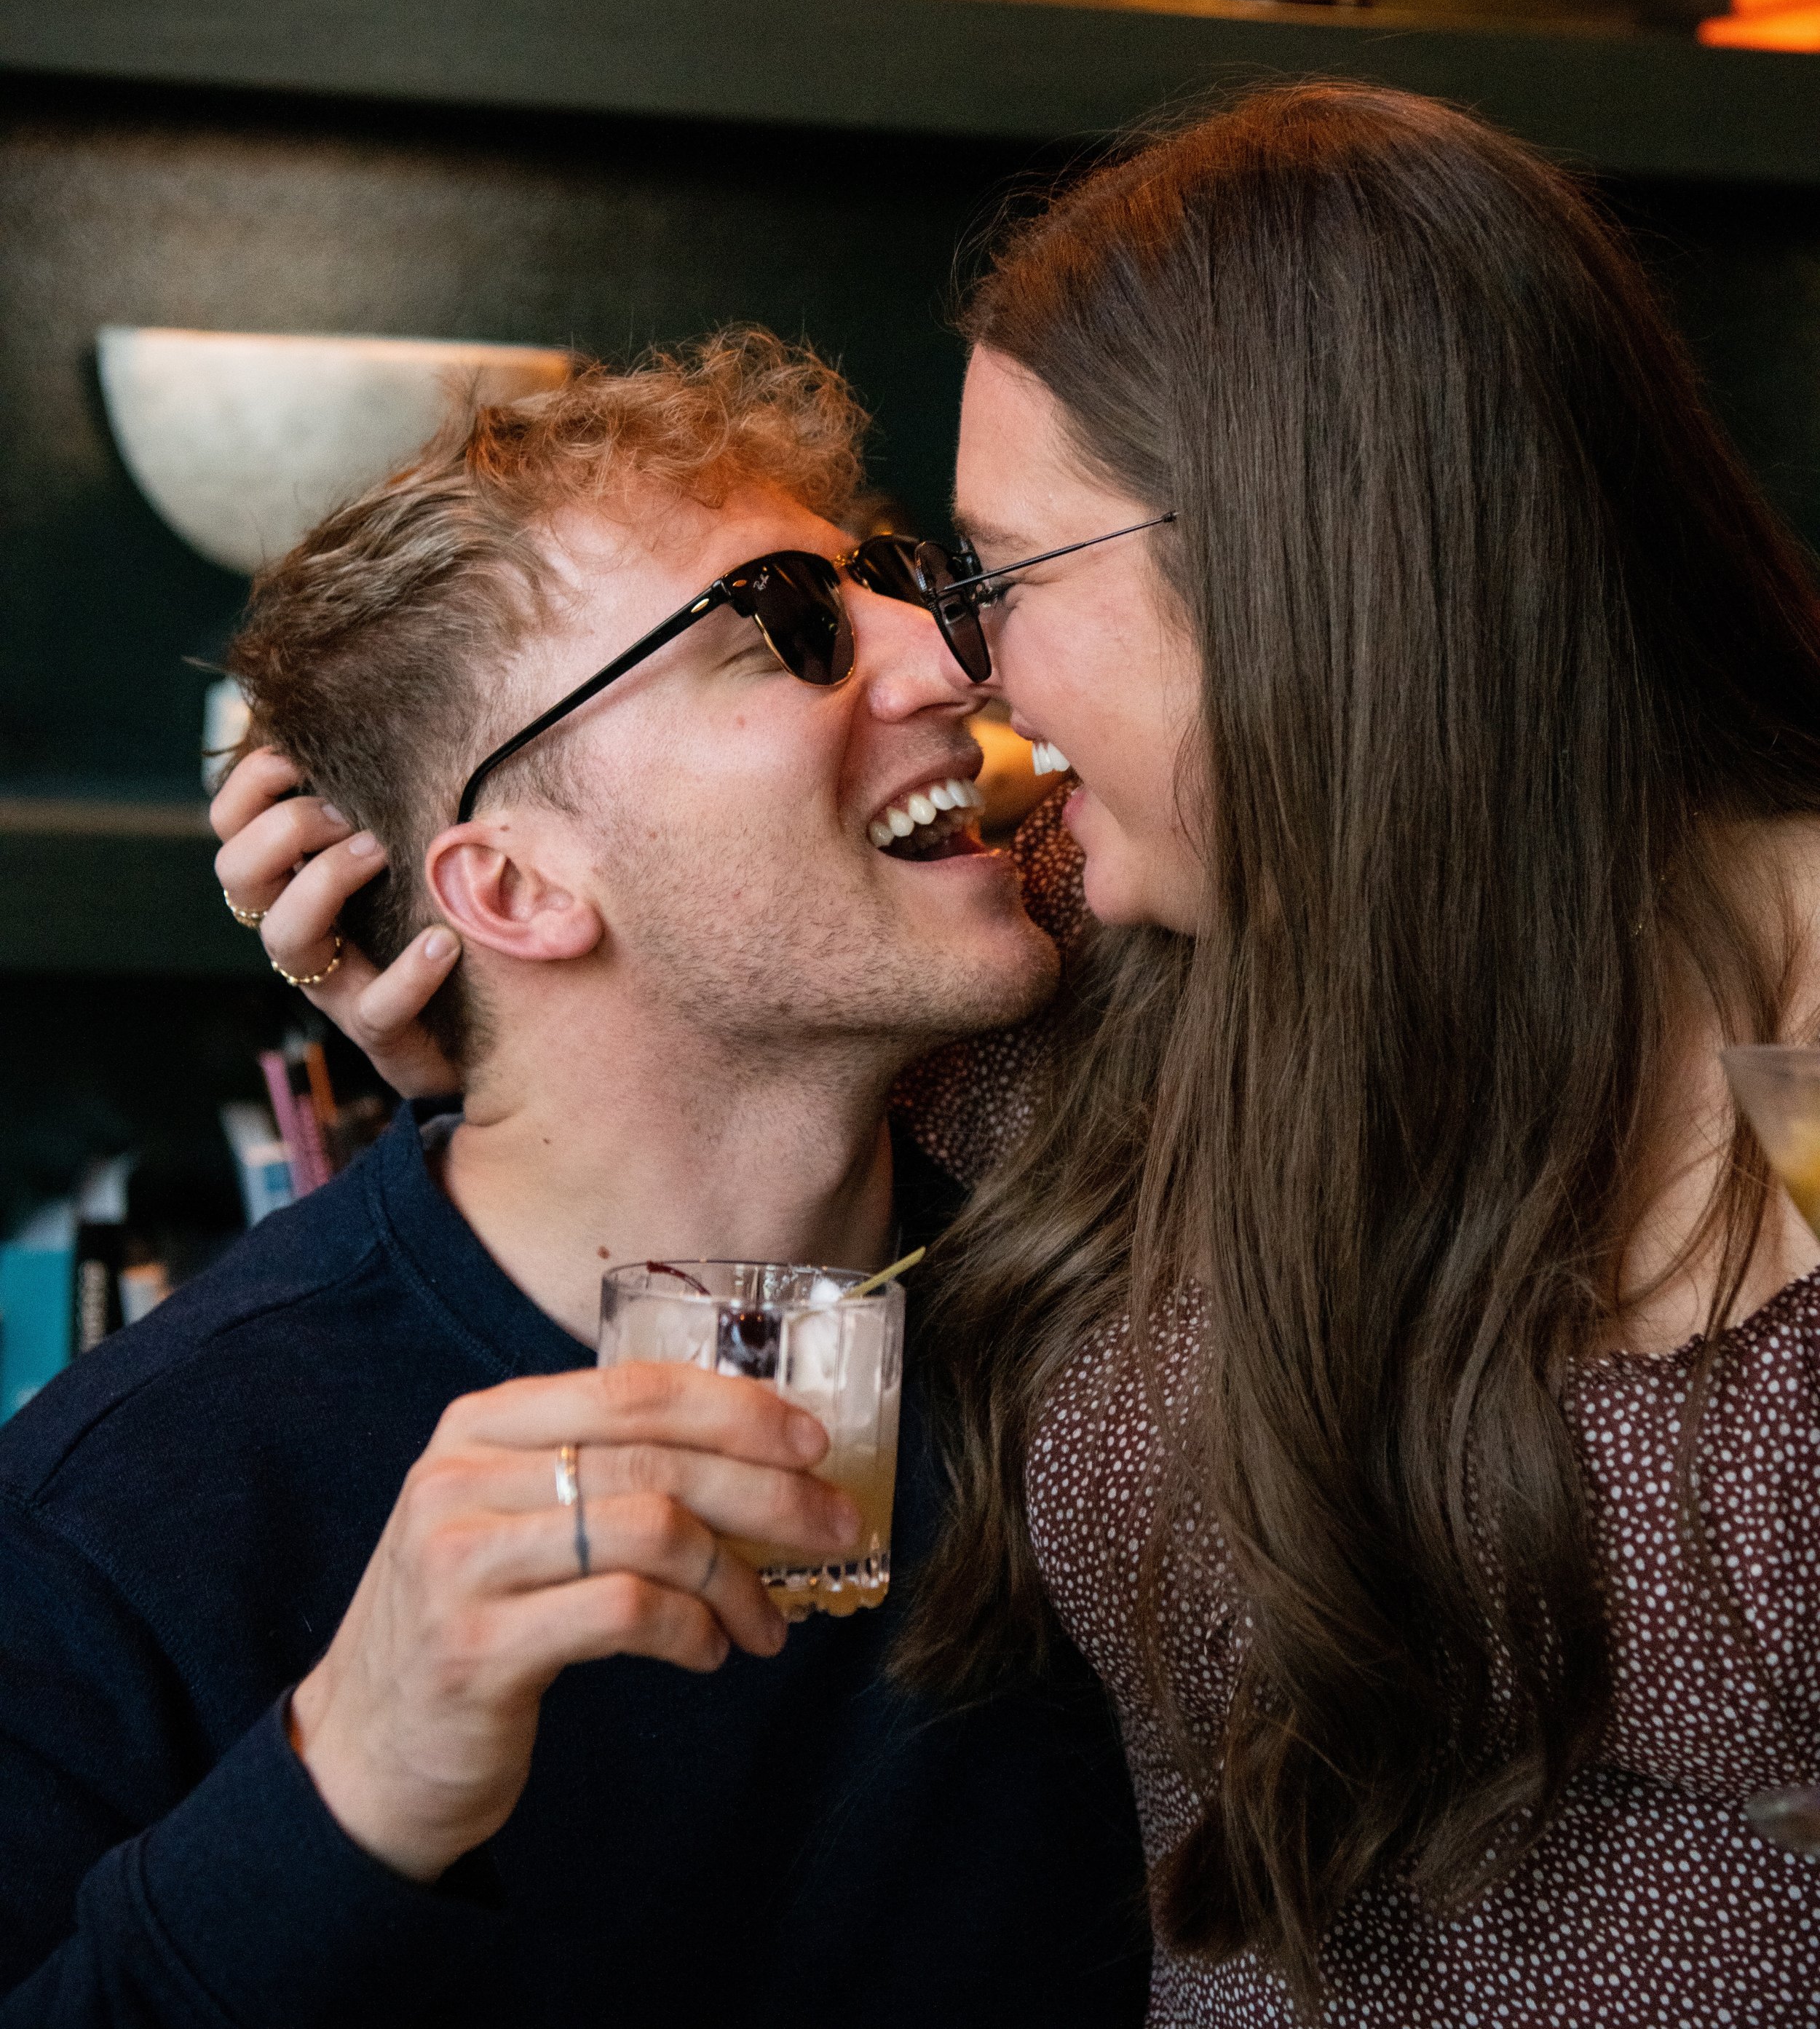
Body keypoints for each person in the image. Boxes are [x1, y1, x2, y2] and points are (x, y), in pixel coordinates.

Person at [253, 88, 1820, 2022]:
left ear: (1289, 553)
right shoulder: (1101, 939)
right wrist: (475, 942)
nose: (966, 668)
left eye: (1004, 575)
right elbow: (710, 988)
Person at [0, 331, 1149, 2025]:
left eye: (905, 585)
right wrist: (344, 1787)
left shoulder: (1140, 1365)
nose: (949, 653)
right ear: (517, 891)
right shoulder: (121, 1509)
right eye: (788, 622)